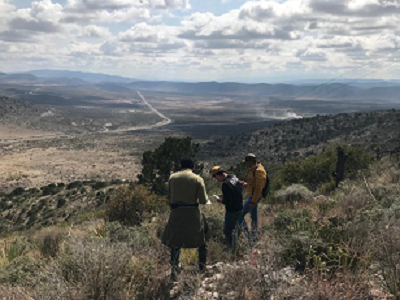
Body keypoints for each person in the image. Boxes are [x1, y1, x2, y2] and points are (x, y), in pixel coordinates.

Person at [162, 157, 209, 280]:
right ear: (193, 167)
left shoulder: (172, 178)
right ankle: (202, 266)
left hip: (176, 213)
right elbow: (203, 200)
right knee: (201, 238)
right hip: (192, 213)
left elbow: (170, 195)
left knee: (175, 240)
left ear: (181, 166)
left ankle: (174, 269)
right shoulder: (198, 179)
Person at [211, 166, 243, 249]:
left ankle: (231, 249)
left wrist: (217, 199)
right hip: (240, 207)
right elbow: (236, 190)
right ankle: (236, 246)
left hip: (232, 210)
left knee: (227, 230)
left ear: (218, 175)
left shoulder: (225, 184)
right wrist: (222, 196)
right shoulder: (233, 177)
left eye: (214, 177)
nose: (216, 179)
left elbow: (227, 201)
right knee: (236, 228)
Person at [238, 153, 267, 241]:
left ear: (250, 161)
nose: (246, 164)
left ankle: (248, 235)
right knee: (253, 217)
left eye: (247, 162)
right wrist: (246, 184)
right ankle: (254, 236)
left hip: (253, 198)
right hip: (252, 196)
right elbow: (254, 183)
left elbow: (259, 189)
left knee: (239, 215)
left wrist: (253, 202)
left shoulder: (259, 171)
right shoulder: (253, 169)